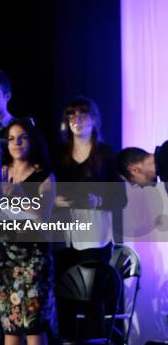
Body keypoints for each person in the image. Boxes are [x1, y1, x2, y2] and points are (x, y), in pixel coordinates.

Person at [0, 118, 55, 345]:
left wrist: (18, 195)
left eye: (22, 137)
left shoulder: (44, 175)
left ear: (32, 140)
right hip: (5, 256)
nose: (16, 143)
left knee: (33, 324)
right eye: (11, 138)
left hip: (34, 257)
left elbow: (42, 218)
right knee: (10, 323)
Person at [53, 96, 127, 274]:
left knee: (91, 293)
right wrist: (54, 200)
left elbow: (120, 198)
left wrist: (100, 201)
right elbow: (46, 191)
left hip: (96, 236)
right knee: (66, 293)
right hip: (65, 236)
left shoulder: (106, 153)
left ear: (94, 119)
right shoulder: (59, 154)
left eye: (83, 114)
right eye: (71, 115)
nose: (76, 120)